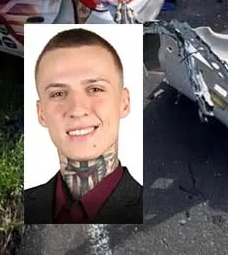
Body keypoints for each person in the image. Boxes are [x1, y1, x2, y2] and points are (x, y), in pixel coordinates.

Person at [23, 28, 143, 225]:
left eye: (95, 89)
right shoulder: (18, 207)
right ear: (41, 113)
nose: (77, 109)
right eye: (58, 94)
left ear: (124, 102)